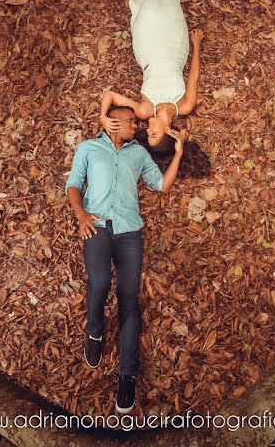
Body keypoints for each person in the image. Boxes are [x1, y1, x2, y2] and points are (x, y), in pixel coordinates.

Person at [65, 105, 186, 414]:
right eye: (133, 122)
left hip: (130, 233)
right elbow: (74, 184)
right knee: (100, 281)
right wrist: (80, 215)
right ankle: (95, 330)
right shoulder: (88, 148)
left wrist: (179, 154)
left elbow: (162, 186)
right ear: (115, 124)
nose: (139, 126)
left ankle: (127, 374)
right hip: (97, 226)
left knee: (129, 301)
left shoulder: (139, 154)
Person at [100, 0, 204, 150]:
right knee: (167, 1)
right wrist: (196, 46)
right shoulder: (184, 106)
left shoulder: (144, 110)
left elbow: (110, 95)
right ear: (168, 131)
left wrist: (102, 117)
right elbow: (193, 77)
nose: (147, 129)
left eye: (148, 134)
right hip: (176, 49)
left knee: (147, 6)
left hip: (147, 49)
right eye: (153, 134)